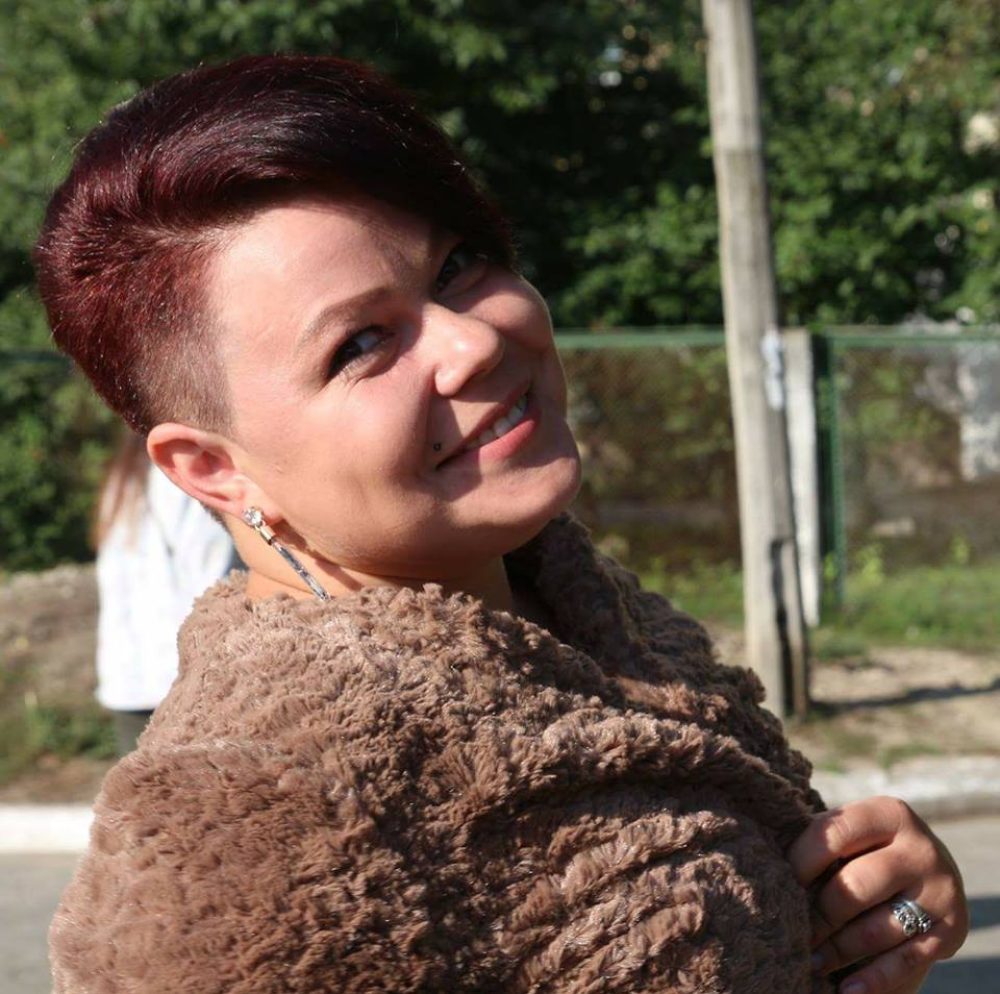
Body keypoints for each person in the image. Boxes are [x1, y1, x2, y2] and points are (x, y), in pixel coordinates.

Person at [35, 55, 966, 994]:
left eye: (456, 267)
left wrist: (883, 920)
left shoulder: (596, 618)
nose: (474, 340)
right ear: (213, 469)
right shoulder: (241, 829)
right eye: (362, 343)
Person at [92, 432, 237, 754]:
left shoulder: (122, 481)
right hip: (178, 675)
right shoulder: (184, 477)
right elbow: (210, 577)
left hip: (127, 678)